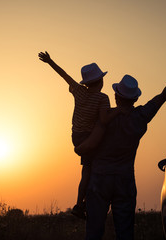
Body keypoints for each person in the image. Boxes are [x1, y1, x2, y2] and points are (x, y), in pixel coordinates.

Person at [75, 51, 166, 240]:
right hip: (125, 181)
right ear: (136, 99)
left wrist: (78, 149)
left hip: (99, 180)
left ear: (116, 96)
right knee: (125, 233)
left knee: (94, 232)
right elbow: (164, 95)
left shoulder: (104, 119)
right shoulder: (141, 117)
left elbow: (85, 138)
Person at [38, 51, 120, 219]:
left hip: (76, 136)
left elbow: (64, 75)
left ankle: (79, 203)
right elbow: (104, 120)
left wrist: (50, 61)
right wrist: (120, 110)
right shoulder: (102, 98)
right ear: (101, 81)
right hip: (89, 138)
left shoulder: (79, 91)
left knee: (86, 170)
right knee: (90, 170)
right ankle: (81, 204)